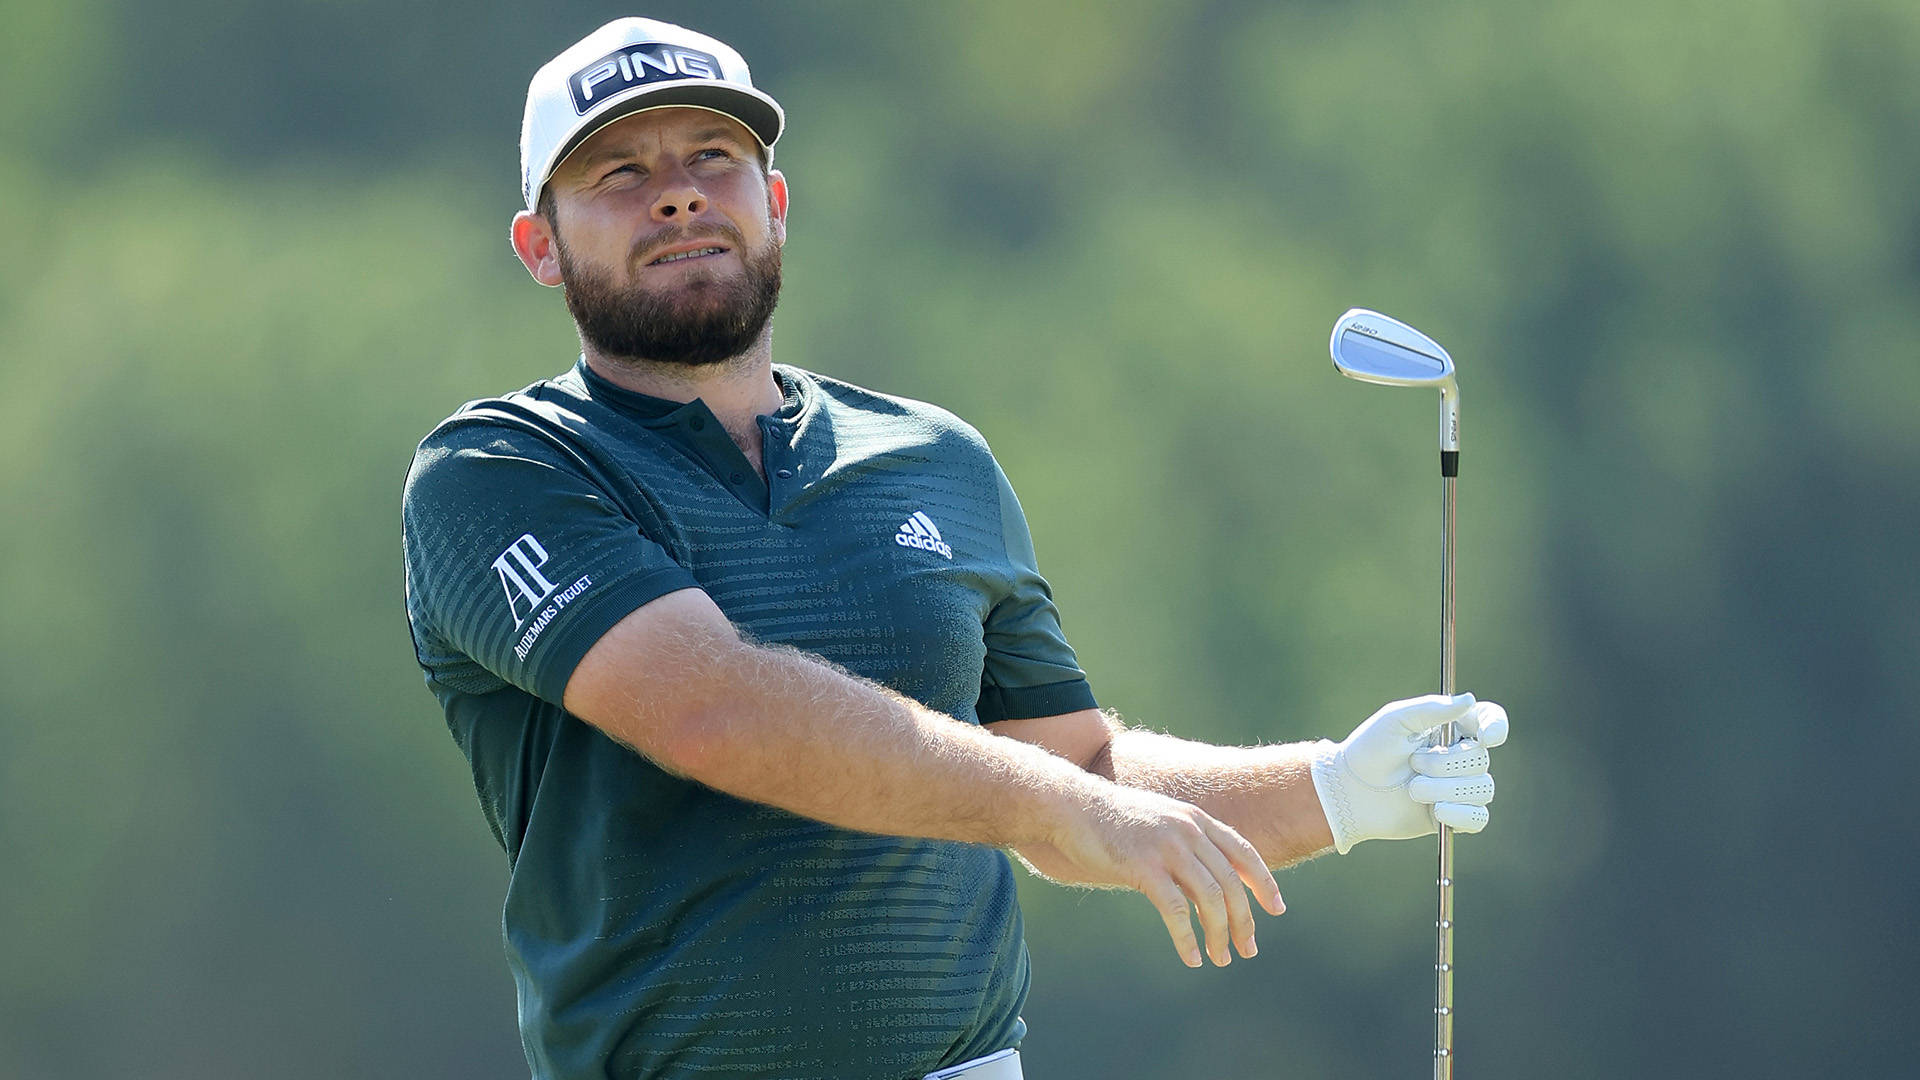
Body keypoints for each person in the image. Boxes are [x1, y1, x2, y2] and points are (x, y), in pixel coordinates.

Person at [400, 17, 1510, 1080]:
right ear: (540, 247)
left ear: (776, 203)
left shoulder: (934, 458)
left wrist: (1339, 790)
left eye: (713, 154)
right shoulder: (501, 471)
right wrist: (1071, 809)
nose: (680, 190)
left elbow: (1077, 769)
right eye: (619, 174)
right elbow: (712, 710)